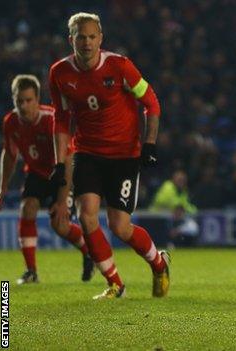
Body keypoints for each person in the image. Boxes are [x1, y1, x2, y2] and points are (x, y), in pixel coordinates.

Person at [49, 12, 170, 299]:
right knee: (86, 214)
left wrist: (150, 143)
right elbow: (62, 119)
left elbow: (150, 101)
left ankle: (158, 262)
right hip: (88, 152)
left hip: (124, 155)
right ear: (71, 40)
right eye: (81, 37)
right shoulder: (59, 73)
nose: (87, 43)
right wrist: (59, 161)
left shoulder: (119, 66)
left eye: (92, 37)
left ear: (100, 38)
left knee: (119, 226)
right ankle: (115, 283)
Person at [0, 74, 94, 285]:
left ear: (37, 98)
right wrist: (2, 186)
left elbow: (68, 161)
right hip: (36, 173)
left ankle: (89, 252)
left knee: (59, 224)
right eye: (19, 101)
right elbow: (10, 154)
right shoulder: (11, 122)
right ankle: (31, 271)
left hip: (62, 172)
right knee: (27, 208)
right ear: (14, 99)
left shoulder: (51, 120)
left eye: (28, 100)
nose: (23, 106)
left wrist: (61, 201)